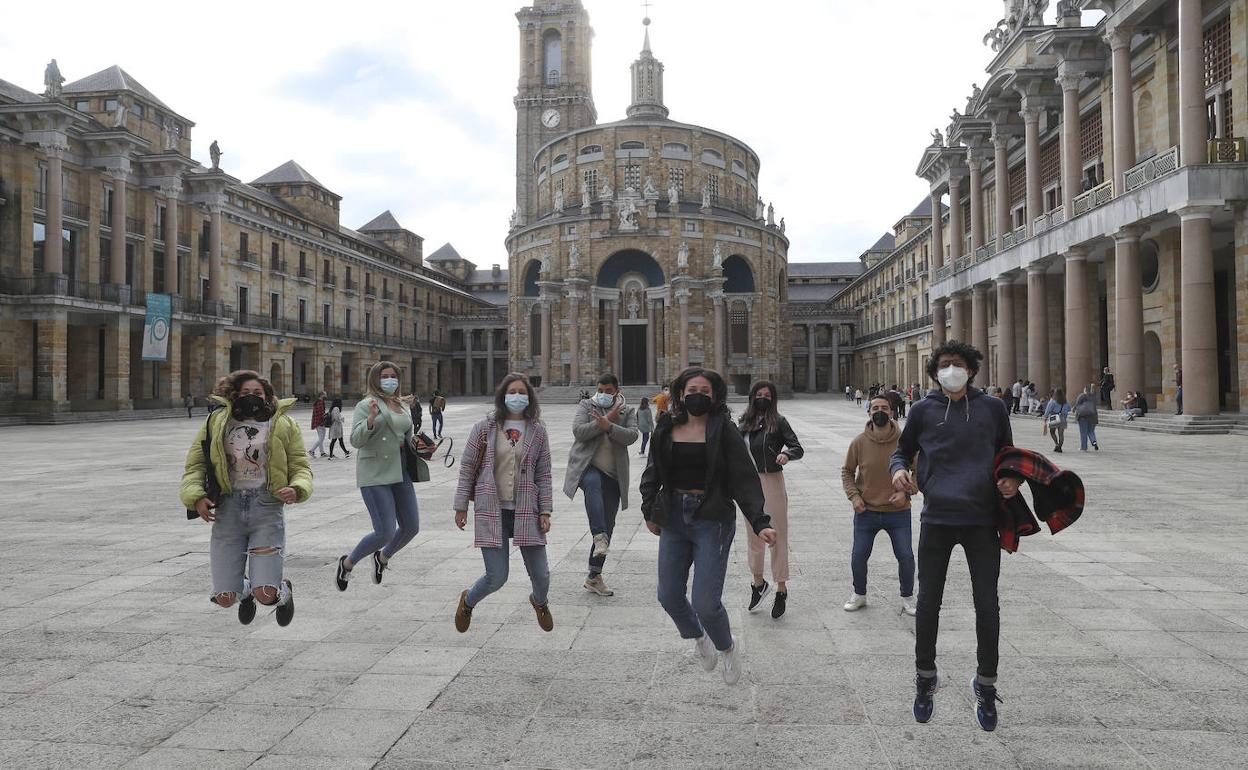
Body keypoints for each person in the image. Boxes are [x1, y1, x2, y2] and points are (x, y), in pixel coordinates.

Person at [890, 341, 1018, 732]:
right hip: (938, 518)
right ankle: (925, 677)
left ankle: (985, 683)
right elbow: (902, 450)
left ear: (971, 370)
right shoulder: (923, 409)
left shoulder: (993, 408)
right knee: (928, 603)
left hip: (982, 519)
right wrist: (898, 471)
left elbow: (1007, 453)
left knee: (987, 606)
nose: (952, 370)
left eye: (958, 364)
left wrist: (1010, 478)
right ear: (934, 372)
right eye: (944, 365)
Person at [640, 367, 776, 685]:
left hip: (711, 519)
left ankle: (727, 648)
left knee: (705, 601)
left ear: (714, 395)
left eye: (704, 390)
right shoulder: (666, 426)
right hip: (674, 517)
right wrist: (649, 509)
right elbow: (653, 471)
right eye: (691, 390)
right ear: (680, 393)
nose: (697, 395)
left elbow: (744, 478)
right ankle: (699, 636)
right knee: (669, 595)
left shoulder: (723, 429)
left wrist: (760, 522)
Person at [180, 369, 311, 626]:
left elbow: (300, 465)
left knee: (267, 595)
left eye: (257, 393)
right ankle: (246, 589)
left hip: (266, 506)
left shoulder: (283, 424)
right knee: (225, 597)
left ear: (267, 396)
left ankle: (281, 590)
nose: (251, 397)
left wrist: (297, 488)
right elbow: (195, 465)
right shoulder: (216, 422)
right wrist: (195, 496)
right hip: (228, 508)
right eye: (245, 393)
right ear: (233, 395)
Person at [453, 373, 554, 633]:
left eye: (522, 392)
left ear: (529, 397)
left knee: (542, 575)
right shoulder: (483, 428)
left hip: (526, 509)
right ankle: (468, 601)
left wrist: (545, 509)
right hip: (492, 509)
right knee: (496, 577)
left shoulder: (538, 431)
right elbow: (466, 467)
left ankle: (539, 601)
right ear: (503, 395)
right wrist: (461, 505)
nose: (517, 397)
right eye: (512, 392)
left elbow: (544, 472)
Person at [334, 362, 421, 591]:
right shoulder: (366, 405)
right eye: (385, 376)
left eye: (394, 376)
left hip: (401, 469)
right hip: (375, 473)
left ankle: (382, 558)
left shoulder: (402, 405)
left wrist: (420, 446)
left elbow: (407, 436)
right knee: (384, 531)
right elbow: (355, 440)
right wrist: (371, 419)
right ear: (375, 379)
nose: (390, 380)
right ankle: (348, 562)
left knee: (411, 527)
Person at [563, 373, 639, 597]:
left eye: (608, 390)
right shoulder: (587, 405)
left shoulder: (628, 411)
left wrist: (610, 424)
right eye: (600, 390)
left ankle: (594, 576)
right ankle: (598, 535)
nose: (603, 394)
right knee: (593, 485)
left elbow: (632, 436)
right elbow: (579, 431)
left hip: (614, 474)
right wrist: (602, 424)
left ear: (617, 390)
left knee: (609, 524)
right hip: (588, 467)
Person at [842, 393, 915, 615]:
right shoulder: (859, 442)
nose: (880, 412)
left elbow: (920, 471)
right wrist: (854, 496)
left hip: (898, 512)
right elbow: (847, 471)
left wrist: (906, 493)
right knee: (859, 555)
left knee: (905, 555)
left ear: (892, 412)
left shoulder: (906, 441)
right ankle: (859, 594)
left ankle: (908, 596)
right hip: (867, 511)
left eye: (884, 407)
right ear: (869, 412)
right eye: (875, 408)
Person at [738, 380, 803, 618]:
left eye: (767, 395)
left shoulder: (779, 422)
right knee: (754, 535)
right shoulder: (743, 422)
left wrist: (786, 454)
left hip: (771, 482)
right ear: (752, 396)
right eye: (759, 394)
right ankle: (757, 583)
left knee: (777, 535)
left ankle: (781, 588)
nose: (762, 398)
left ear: (772, 399)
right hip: (748, 483)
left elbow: (797, 447)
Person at [1042, 388, 1070, 453]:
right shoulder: (1065, 401)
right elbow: (1069, 409)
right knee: (1061, 434)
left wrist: (1045, 417)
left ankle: (1056, 444)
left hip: (1054, 416)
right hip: (1062, 417)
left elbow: (1048, 410)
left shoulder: (1053, 401)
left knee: (1052, 432)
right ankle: (1060, 447)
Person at [1074, 384, 1100, 451]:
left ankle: (1084, 447)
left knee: (1083, 432)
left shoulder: (1082, 396)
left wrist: (1074, 410)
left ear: (1085, 389)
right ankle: (1094, 442)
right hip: (1093, 416)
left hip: (1083, 416)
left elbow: (1077, 404)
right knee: (1091, 431)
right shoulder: (1093, 397)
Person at [308, 391, 328, 458]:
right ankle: (311, 450)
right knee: (321, 438)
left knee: (320, 438)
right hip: (320, 422)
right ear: (322, 395)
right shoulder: (320, 402)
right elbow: (321, 413)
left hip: (317, 422)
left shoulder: (318, 402)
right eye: (325, 394)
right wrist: (324, 418)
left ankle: (322, 452)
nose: (326, 395)